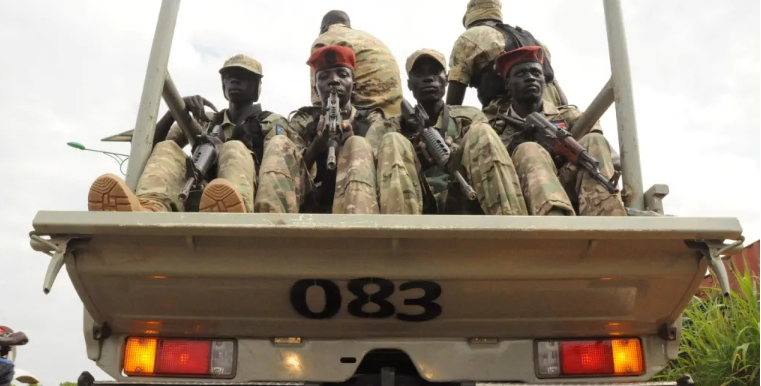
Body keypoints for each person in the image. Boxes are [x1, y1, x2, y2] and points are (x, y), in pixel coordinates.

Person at [87, 54, 290, 213]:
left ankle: (233, 210)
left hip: (249, 192)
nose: (234, 81)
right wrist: (176, 112)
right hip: (197, 189)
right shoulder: (208, 121)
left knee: (233, 148)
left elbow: (278, 168)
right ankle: (151, 208)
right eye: (229, 77)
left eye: (243, 77)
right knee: (167, 148)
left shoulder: (271, 122)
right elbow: (149, 148)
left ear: (256, 87)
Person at [256, 45, 416, 215]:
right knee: (278, 142)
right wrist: (318, 144)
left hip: (361, 199)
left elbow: (382, 169)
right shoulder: (304, 121)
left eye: (342, 74)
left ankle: (360, 229)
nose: (333, 80)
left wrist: (349, 141)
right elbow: (289, 168)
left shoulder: (371, 119)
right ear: (316, 87)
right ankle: (270, 223)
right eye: (324, 76)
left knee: (357, 143)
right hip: (309, 199)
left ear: (353, 84)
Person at [366, 49, 527, 216]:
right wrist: (413, 158)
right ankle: (399, 237)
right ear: (409, 84)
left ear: (447, 79)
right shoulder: (386, 127)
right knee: (393, 141)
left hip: (462, 197)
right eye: (420, 74)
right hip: (417, 204)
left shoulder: (470, 117)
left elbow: (488, 155)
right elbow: (368, 170)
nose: (429, 78)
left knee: (482, 131)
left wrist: (456, 155)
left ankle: (511, 225)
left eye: (436, 72)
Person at [489, 46, 626, 216]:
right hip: (521, 196)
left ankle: (608, 218)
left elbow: (612, 160)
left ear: (544, 82)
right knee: (529, 149)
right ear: (508, 84)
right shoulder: (495, 130)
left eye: (536, 73)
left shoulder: (569, 116)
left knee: (594, 140)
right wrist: (513, 148)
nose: (530, 78)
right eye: (521, 74)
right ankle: (555, 222)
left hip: (570, 184)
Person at [446, 0, 566, 116]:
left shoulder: (469, 38)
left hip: (506, 119)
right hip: (551, 114)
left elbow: (454, 100)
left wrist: (447, 126)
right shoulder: (537, 42)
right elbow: (554, 85)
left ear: (468, 19)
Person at [308, 10, 403, 117]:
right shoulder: (370, 38)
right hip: (394, 111)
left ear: (324, 27)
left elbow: (319, 97)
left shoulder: (326, 38)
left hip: (362, 113)